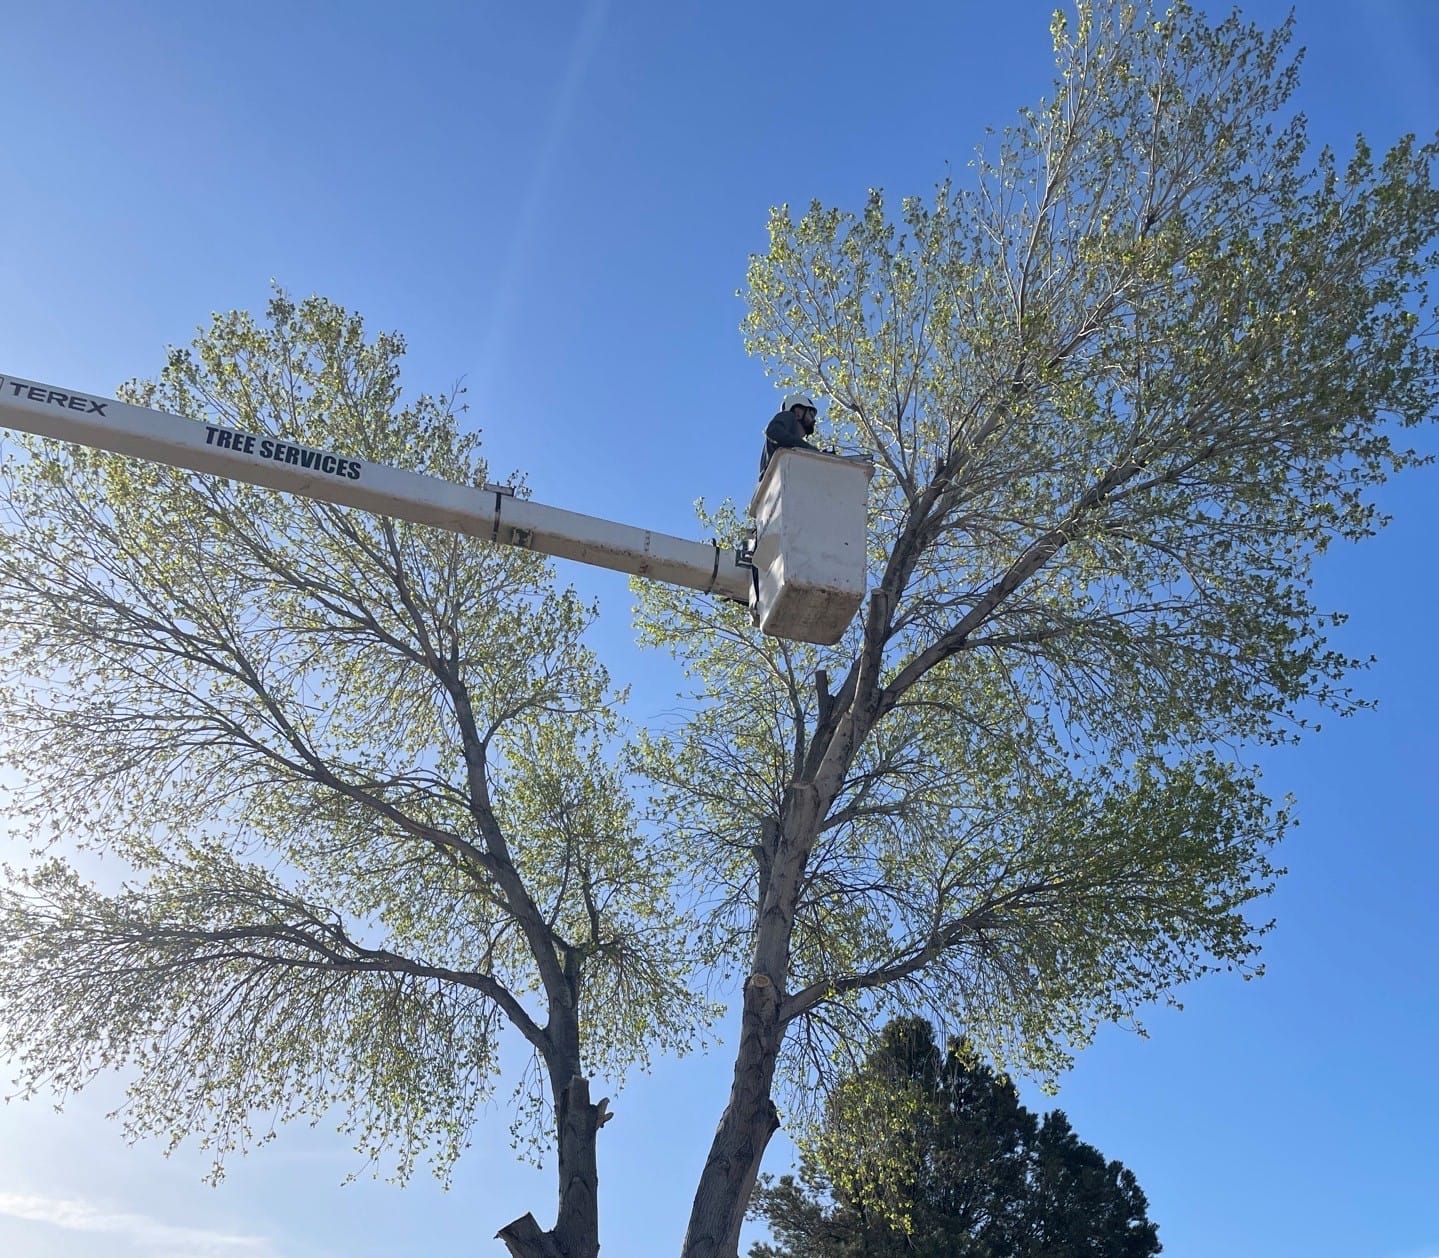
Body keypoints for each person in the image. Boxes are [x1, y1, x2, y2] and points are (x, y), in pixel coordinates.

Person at [759, 393, 820, 477]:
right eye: (811, 415)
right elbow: (773, 431)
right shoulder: (789, 416)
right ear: (798, 412)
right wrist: (809, 449)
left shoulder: (790, 444)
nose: (814, 420)